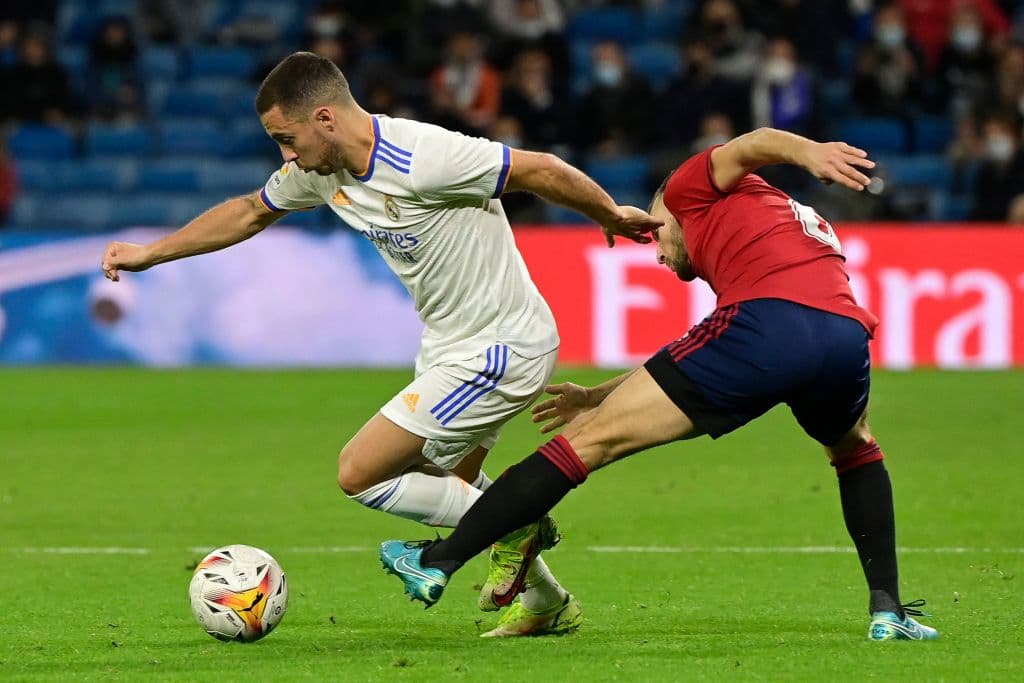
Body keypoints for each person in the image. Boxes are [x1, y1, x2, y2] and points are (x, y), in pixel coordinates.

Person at [100, 51, 661, 638]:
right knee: (451, 485)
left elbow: (540, 169)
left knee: (361, 472)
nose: (284, 156)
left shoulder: (422, 156)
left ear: (324, 118)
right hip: (448, 346)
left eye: (285, 139)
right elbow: (247, 213)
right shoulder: (321, 173)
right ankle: (547, 601)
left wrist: (609, 215)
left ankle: (518, 523)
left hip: (502, 345)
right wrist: (150, 253)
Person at [380, 127, 941, 642]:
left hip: (767, 325)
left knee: (588, 442)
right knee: (854, 449)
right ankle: (888, 610)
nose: (657, 250)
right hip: (843, 336)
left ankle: (439, 560)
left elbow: (752, 143)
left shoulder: (688, 187)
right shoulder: (785, 221)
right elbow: (705, 350)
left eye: (655, 233)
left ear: (670, 209)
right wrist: (601, 394)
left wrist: (809, 152)